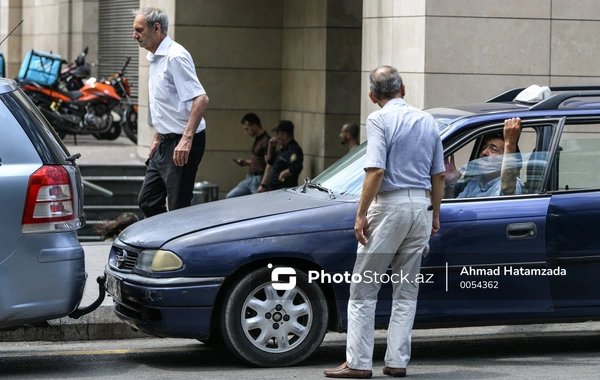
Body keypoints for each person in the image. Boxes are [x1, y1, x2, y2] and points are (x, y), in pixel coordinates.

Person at [324, 66, 445, 379]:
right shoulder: (427, 120)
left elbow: (375, 171)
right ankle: (396, 362)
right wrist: (435, 213)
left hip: (389, 208)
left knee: (364, 289)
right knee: (406, 291)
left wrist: (361, 214)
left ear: (372, 95)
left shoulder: (378, 119)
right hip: (421, 207)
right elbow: (439, 174)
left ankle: (359, 363)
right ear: (403, 89)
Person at [132, 6, 209, 217]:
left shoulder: (175, 57)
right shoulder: (155, 57)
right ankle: (161, 241)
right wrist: (158, 136)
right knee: (148, 201)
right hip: (165, 141)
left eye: (139, 30)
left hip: (183, 141)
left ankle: (176, 248)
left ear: (156, 29)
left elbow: (201, 99)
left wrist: (186, 140)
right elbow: (168, 105)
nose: (134, 35)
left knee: (178, 207)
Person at [446, 117, 523, 198]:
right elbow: (456, 207)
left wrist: (510, 143)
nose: (484, 152)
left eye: (493, 149)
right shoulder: (475, 182)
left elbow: (508, 188)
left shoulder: (514, 184)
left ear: (504, 161)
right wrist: (450, 183)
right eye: (483, 147)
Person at [226, 113, 271, 198]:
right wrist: (246, 162)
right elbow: (259, 160)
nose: (246, 132)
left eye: (247, 129)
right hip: (250, 178)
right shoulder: (258, 139)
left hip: (258, 179)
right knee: (230, 197)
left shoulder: (266, 140)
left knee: (257, 205)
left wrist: (263, 184)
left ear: (254, 126)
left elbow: (269, 163)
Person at [265, 120, 304, 190]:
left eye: (277, 134)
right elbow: (270, 161)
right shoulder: (283, 149)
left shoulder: (294, 150)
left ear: (284, 135)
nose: (275, 137)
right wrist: (271, 147)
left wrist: (283, 173)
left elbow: (297, 167)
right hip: (273, 189)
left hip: (283, 189)